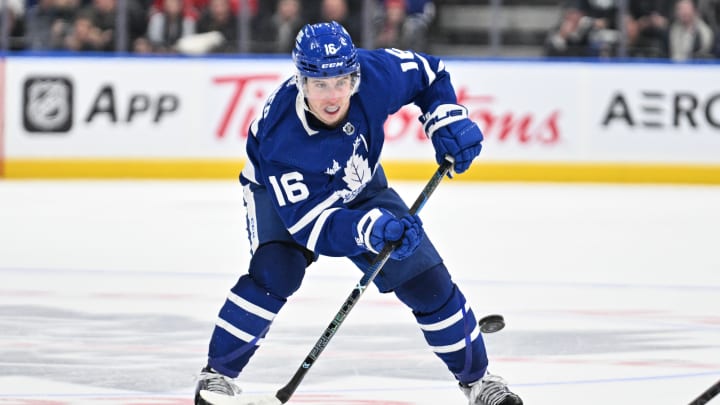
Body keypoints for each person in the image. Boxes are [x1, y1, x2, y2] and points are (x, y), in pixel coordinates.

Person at [193, 21, 523, 405]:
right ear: (300, 81)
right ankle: (217, 375)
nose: (333, 96)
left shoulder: (375, 75)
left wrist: (445, 118)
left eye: (341, 82)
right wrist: (369, 228)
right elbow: (313, 229)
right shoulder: (282, 139)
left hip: (358, 179)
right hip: (277, 193)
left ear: (354, 74)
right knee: (277, 270)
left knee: (426, 281)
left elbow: (430, 74)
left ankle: (480, 383)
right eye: (319, 85)